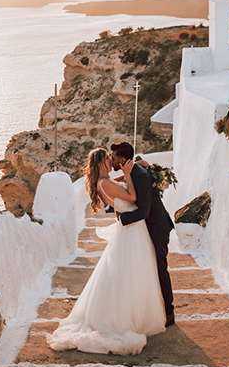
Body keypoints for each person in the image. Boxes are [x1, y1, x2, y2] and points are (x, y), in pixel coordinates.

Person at [47, 147, 166, 355]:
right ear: (102, 163)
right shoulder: (105, 183)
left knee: (130, 273)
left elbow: (116, 188)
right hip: (130, 232)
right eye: (108, 160)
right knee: (128, 273)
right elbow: (131, 196)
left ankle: (134, 313)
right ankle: (123, 317)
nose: (112, 162)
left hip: (131, 229)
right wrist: (129, 175)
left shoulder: (104, 182)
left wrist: (130, 171)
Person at [111, 142, 175, 326]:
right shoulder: (134, 172)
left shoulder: (140, 176)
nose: (112, 160)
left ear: (123, 160)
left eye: (114, 158)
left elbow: (144, 212)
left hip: (157, 226)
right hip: (149, 227)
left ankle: (169, 313)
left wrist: (121, 220)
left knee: (160, 268)